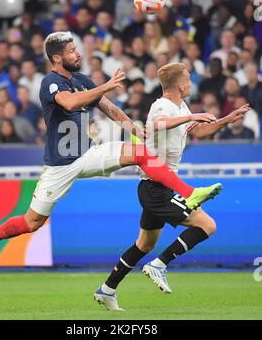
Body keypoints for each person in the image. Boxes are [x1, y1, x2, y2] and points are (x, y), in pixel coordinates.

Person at [0, 33, 222, 272]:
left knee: (141, 153)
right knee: (32, 223)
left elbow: (109, 108)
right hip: (60, 165)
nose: (77, 53)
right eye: (72, 51)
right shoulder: (51, 82)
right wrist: (105, 85)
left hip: (87, 154)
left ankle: (190, 193)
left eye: (76, 49)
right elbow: (69, 102)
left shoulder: (82, 80)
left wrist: (134, 129)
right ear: (57, 58)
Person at [95, 62, 249, 310]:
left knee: (144, 244)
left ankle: (107, 289)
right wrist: (189, 116)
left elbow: (199, 132)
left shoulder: (180, 106)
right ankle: (159, 265)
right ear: (180, 84)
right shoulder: (162, 105)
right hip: (156, 187)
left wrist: (226, 120)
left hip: (157, 187)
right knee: (207, 225)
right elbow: (156, 125)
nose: (191, 82)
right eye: (188, 78)